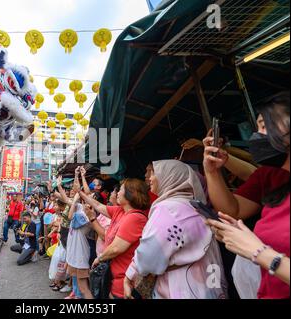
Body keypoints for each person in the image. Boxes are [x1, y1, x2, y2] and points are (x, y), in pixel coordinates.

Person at [207, 92, 290, 299]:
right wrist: (211, 172)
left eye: (264, 125)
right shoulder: (273, 179)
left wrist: (258, 251)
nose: (258, 134)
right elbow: (233, 210)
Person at [123, 160, 227, 299]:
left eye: (154, 173)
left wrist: (130, 275)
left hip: (180, 288)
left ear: (170, 176)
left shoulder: (168, 209)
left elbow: (148, 258)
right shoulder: (195, 206)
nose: (150, 178)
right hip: (207, 284)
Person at [80, 178, 151, 299]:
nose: (117, 192)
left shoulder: (135, 218)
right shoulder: (120, 211)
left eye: (120, 190)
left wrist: (100, 258)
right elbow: (97, 205)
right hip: (113, 277)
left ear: (130, 194)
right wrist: (79, 192)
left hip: (125, 281)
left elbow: (116, 248)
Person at [66, 192, 93, 299]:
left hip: (80, 256)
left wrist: (75, 200)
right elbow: (64, 199)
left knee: (84, 288)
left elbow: (69, 216)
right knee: (77, 284)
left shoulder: (84, 216)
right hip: (75, 255)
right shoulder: (80, 210)